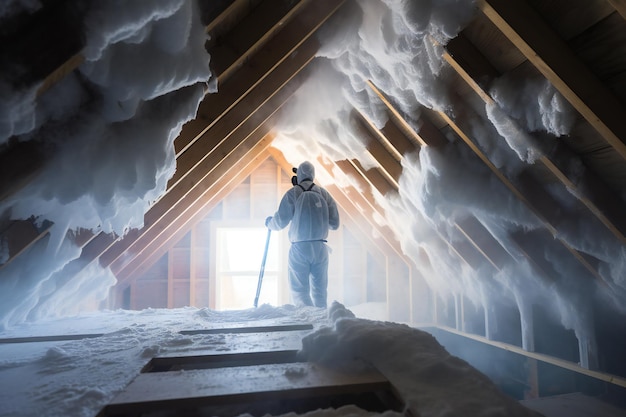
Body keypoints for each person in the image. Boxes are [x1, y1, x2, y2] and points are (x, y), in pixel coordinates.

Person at [265, 161, 340, 308]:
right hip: (320, 248)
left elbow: (280, 221)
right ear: (313, 175)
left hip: (299, 248)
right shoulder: (324, 194)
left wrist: (269, 223)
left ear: (298, 175)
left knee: (300, 291)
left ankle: (308, 322)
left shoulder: (293, 193)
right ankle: (321, 322)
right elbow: (335, 224)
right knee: (320, 291)